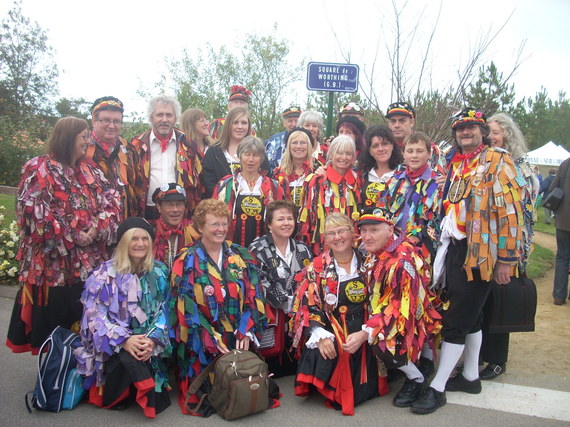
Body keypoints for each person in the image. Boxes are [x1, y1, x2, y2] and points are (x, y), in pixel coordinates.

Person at [411, 107, 523, 415]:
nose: (466, 132)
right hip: (455, 248)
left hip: (482, 255)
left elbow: (511, 215)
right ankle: (471, 376)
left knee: (456, 320)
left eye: (471, 127)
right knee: (471, 316)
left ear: (482, 131)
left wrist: (506, 260)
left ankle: (437, 387)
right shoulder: (453, 163)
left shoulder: (499, 162)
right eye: (460, 129)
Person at [6, 117, 120, 354]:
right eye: (83, 137)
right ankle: (52, 370)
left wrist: (98, 226)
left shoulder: (90, 170)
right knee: (53, 326)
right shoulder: (39, 168)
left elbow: (112, 202)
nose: (87, 141)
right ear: (68, 138)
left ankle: (80, 369)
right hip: (54, 270)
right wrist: (73, 235)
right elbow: (33, 215)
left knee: (84, 319)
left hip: (88, 267)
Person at [169, 198, 275, 415]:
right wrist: (209, 337)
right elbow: (185, 309)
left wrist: (246, 329)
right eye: (214, 224)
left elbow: (255, 296)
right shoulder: (186, 260)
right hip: (203, 340)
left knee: (249, 387)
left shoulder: (240, 255)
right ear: (200, 227)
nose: (221, 229)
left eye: (224, 224)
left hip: (237, 336)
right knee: (210, 393)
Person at [74, 218, 171, 417]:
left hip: (145, 345)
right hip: (112, 348)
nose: (141, 244)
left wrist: (151, 340)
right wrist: (124, 340)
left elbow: (164, 312)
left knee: (142, 365)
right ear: (123, 242)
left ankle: (139, 382)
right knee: (127, 361)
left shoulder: (160, 273)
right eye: (134, 238)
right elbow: (93, 319)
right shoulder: (102, 275)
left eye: (145, 238)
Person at [290, 213, 385, 416]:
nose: (337, 237)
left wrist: (365, 333)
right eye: (331, 233)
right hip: (333, 328)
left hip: (364, 327)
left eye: (342, 231)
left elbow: (382, 304)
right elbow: (307, 307)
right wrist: (320, 334)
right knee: (325, 347)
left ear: (352, 234)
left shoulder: (370, 262)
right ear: (325, 238)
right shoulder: (315, 268)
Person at [359, 207, 441, 408]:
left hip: (408, 318)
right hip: (393, 311)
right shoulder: (380, 249)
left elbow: (400, 308)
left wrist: (370, 328)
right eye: (363, 231)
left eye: (374, 230)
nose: (366, 236)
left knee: (378, 338)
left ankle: (417, 379)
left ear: (390, 229)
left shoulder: (401, 259)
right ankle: (415, 364)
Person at [479, 112, 539, 378]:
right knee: (481, 301)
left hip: (506, 245)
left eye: (495, 132)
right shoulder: (481, 162)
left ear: (506, 135)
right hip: (481, 245)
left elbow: (520, 214)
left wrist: (509, 256)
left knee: (500, 300)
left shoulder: (519, 166)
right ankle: (479, 355)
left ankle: (497, 359)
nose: (491, 137)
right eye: (488, 132)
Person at [249, 200, 313, 377]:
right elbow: (258, 280)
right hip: (273, 310)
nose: (286, 223)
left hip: (297, 311)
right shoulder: (258, 248)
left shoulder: (302, 249)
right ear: (269, 224)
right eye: (280, 219)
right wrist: (285, 301)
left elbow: (310, 279)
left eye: (290, 218)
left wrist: (300, 301)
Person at [130, 96, 200, 220]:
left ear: (175, 118)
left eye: (169, 115)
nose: (164, 119)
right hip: (147, 211)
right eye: (159, 115)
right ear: (151, 117)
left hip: (179, 212)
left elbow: (199, 181)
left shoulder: (189, 145)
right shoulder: (137, 145)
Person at [378, 131, 440, 260]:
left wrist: (418, 235)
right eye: (410, 151)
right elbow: (382, 209)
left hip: (421, 251)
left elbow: (438, 220)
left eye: (420, 151)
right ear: (403, 154)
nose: (414, 156)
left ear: (429, 154)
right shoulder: (394, 181)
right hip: (391, 247)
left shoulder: (436, 184)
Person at [212, 136, 284, 247]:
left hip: (265, 248)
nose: (251, 159)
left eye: (255, 155)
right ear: (239, 156)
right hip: (232, 246)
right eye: (247, 154)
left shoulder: (273, 187)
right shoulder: (226, 185)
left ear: (261, 158)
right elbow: (214, 217)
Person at [298, 135, 361, 254]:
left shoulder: (357, 181)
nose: (343, 157)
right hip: (322, 247)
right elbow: (307, 220)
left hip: (351, 247)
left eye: (348, 153)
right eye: (339, 153)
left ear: (353, 157)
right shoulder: (315, 181)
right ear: (331, 154)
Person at [85, 96, 139, 219]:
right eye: (106, 120)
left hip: (125, 224)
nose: (111, 126)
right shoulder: (81, 149)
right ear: (94, 121)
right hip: (92, 225)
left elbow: (137, 188)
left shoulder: (129, 150)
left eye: (116, 121)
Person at [202, 107, 271, 197]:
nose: (240, 127)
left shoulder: (259, 150)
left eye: (244, 123)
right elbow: (209, 183)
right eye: (235, 122)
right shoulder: (213, 152)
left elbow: (267, 179)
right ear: (228, 125)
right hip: (222, 206)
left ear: (249, 126)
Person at [386, 101, 446, 173]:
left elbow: (441, 179)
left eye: (402, 121)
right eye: (393, 121)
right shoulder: (384, 150)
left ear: (412, 122)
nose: (397, 125)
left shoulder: (431, 149)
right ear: (389, 124)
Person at [152, 183, 200, 269]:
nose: (175, 209)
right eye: (169, 204)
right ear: (159, 207)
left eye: (179, 204)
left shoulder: (195, 233)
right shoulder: (150, 232)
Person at [357, 125, 403, 208]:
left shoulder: (402, 175)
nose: (381, 149)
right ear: (370, 151)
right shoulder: (362, 175)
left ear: (392, 146)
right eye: (375, 146)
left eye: (384, 144)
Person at [273, 127, 315, 207]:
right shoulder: (278, 173)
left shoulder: (317, 170)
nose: (298, 146)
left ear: (309, 146)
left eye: (303, 143)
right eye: (294, 143)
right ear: (288, 146)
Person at [550, 157, 570, 305]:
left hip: (564, 219)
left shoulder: (565, 163)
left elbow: (553, 188)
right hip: (563, 220)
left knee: (562, 257)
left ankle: (559, 295)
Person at [265, 106, 302, 171]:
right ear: (284, 123)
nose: (294, 124)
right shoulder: (274, 141)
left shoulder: (307, 141)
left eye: (297, 121)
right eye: (290, 121)